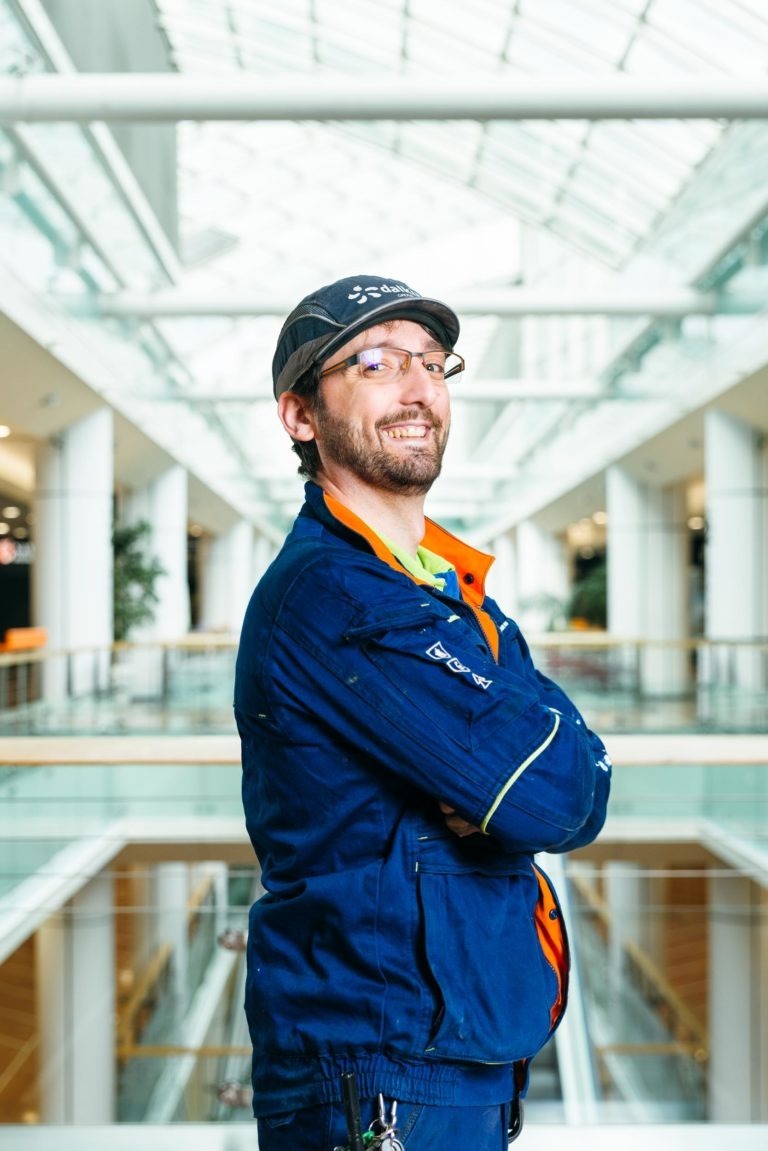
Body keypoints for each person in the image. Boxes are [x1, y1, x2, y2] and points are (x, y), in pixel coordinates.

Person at [235, 274, 611, 1150]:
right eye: (375, 363)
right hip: (377, 1069)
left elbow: (571, 773)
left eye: (433, 364)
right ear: (300, 415)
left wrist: (519, 769)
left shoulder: (440, 586)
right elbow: (548, 799)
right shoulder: (337, 593)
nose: (418, 390)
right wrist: (517, 777)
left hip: (446, 1054)